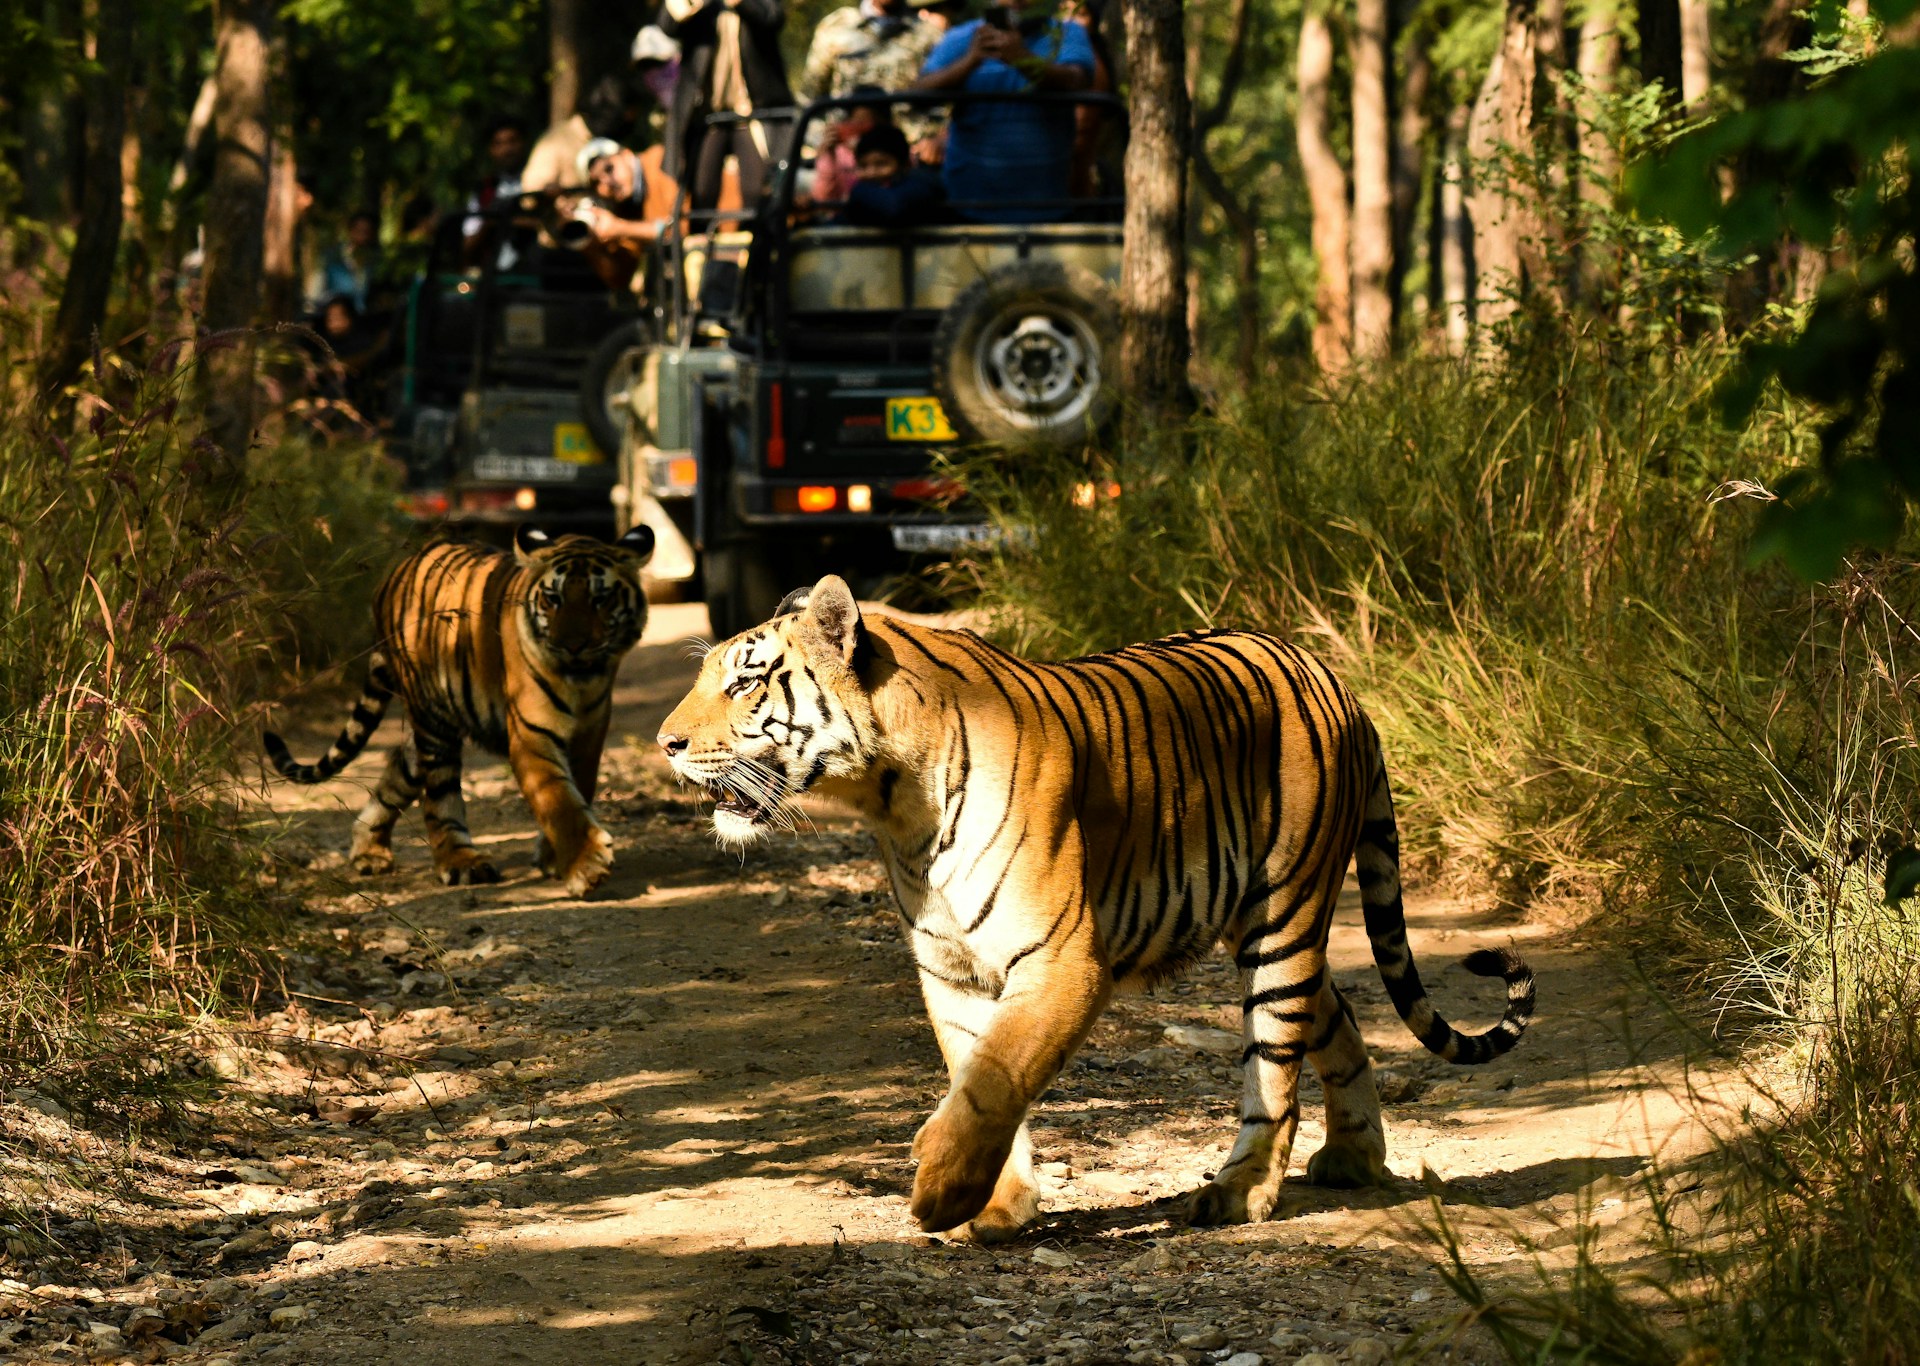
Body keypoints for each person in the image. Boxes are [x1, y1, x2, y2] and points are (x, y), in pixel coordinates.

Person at [911, 3, 1094, 224]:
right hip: (969, 206)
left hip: (1047, 205)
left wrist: (1021, 58)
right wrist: (970, 61)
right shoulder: (963, 37)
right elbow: (917, 96)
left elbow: (1076, 81)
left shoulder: (1066, 32)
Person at [657, 0, 792, 212]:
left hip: (752, 111)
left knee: (756, 191)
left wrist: (742, 4)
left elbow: (773, 18)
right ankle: (701, 242)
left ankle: (758, 243)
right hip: (708, 113)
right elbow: (666, 25)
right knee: (701, 190)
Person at [798, 0, 935, 140]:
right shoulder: (837, 27)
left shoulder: (927, 34)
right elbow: (809, 100)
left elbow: (942, 108)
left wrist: (931, 141)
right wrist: (825, 143)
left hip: (907, 149)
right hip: (846, 150)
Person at [842, 124, 945, 227]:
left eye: (881, 164)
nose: (871, 173)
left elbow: (893, 208)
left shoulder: (921, 184)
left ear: (904, 165)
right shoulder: (867, 193)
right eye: (863, 166)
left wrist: (858, 191)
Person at [461, 115, 531, 267]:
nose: (507, 149)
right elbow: (468, 245)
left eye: (512, 141)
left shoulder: (537, 180)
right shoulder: (485, 190)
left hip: (535, 274)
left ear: (523, 143)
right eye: (498, 143)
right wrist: (490, 220)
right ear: (491, 149)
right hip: (494, 277)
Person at [807, 85, 892, 204]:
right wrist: (829, 157)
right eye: (856, 125)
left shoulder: (895, 152)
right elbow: (822, 198)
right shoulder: (838, 154)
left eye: (867, 128)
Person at [312, 210, 381, 313]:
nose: (362, 236)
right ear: (350, 230)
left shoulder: (376, 260)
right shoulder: (332, 256)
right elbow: (317, 289)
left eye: (367, 231)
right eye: (359, 230)